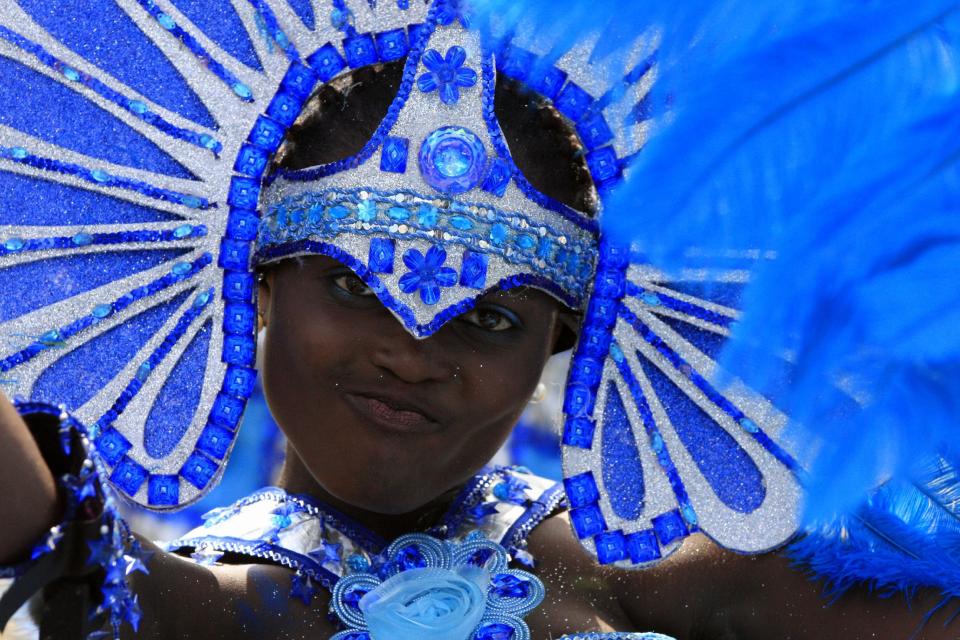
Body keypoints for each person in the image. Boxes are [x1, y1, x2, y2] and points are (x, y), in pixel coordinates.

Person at [0, 1, 957, 638]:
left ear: (565, 339)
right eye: (354, 287)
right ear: (259, 279)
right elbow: (66, 540)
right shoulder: (215, 599)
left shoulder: (656, 565)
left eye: (489, 321)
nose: (413, 354)